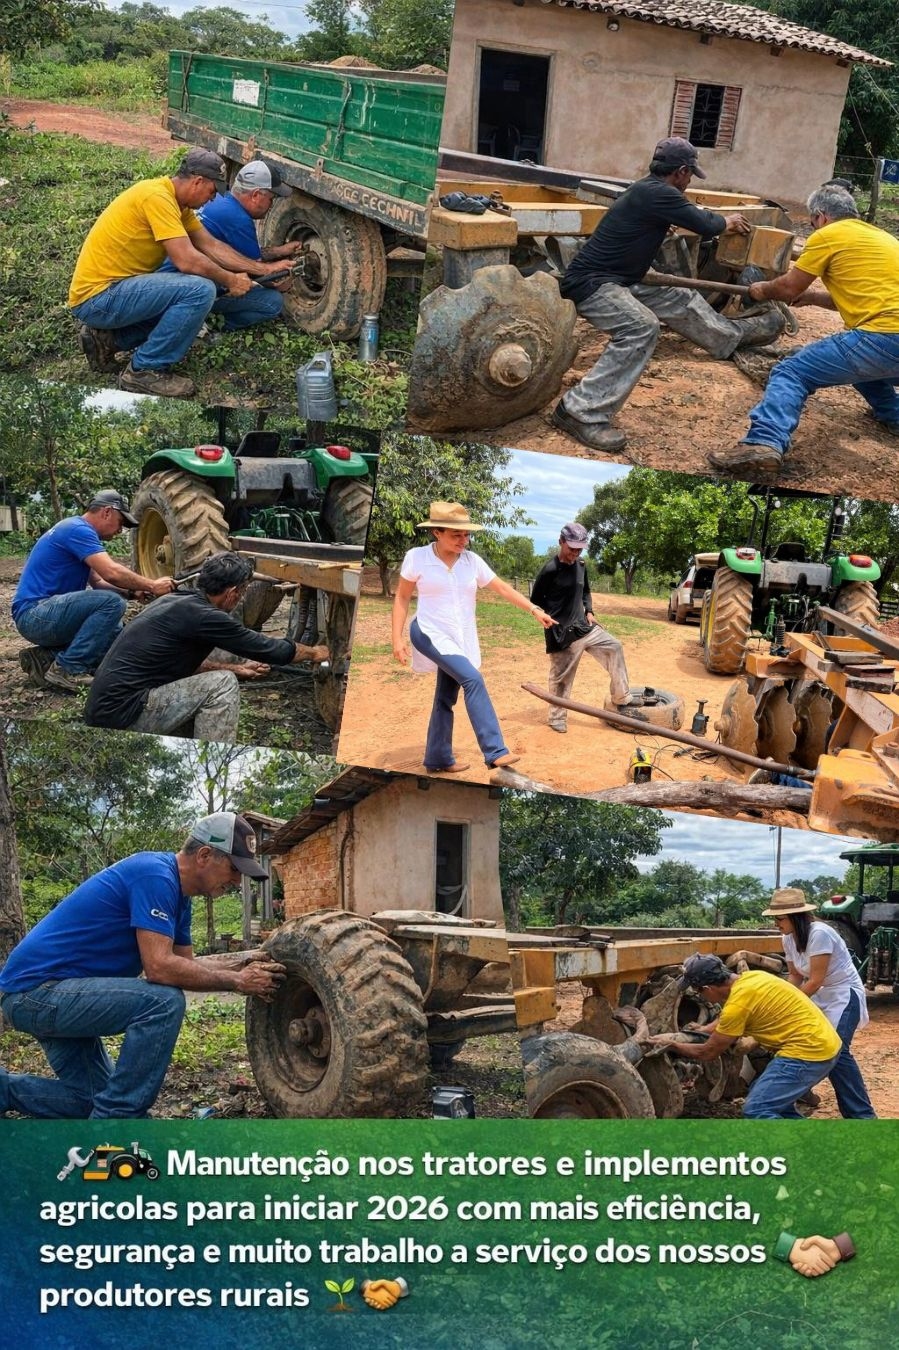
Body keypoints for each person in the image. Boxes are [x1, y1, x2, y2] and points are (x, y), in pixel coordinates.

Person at [0, 813, 285, 1119]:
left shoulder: (180, 897)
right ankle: (118, 1121)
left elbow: (184, 965)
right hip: (35, 993)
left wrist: (242, 960)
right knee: (162, 1002)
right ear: (204, 855)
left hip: (50, 994)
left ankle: (5, 1090)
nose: (236, 880)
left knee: (90, 1100)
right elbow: (160, 969)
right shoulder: (155, 875)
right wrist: (237, 981)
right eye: (233, 868)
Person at [553, 136, 785, 454]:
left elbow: (671, 217)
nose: (689, 181)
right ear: (680, 171)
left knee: (677, 296)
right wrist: (726, 222)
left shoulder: (649, 191)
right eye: (690, 175)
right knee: (640, 327)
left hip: (624, 278)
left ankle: (727, 338)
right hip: (593, 284)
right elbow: (705, 224)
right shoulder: (659, 193)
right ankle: (579, 412)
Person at [68, 148, 291, 399]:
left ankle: (109, 340)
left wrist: (261, 269)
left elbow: (212, 246)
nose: (211, 199)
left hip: (117, 290)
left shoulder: (177, 205)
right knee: (200, 290)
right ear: (198, 181)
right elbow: (187, 261)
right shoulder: (157, 197)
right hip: (98, 298)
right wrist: (230, 280)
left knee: (188, 294)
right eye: (211, 191)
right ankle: (144, 370)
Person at [710, 183, 899, 474]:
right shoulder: (882, 238)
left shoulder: (828, 235)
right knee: (865, 372)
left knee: (792, 371)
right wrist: (812, 297)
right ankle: (894, 416)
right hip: (890, 345)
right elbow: (863, 297)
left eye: (813, 223)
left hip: (883, 338)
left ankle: (763, 443)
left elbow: (787, 286)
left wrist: (761, 290)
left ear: (821, 217)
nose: (814, 228)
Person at [83, 552, 329, 742]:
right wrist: (316, 652)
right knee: (221, 685)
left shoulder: (177, 600)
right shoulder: (206, 617)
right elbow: (270, 649)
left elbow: (178, 660)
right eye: (243, 592)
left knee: (224, 659)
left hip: (106, 709)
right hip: (123, 716)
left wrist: (239, 668)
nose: (242, 597)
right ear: (234, 592)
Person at [392, 501, 555, 773]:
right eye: (456, 535)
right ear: (437, 533)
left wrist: (534, 609)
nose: (464, 540)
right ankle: (495, 751)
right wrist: (396, 638)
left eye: (466, 535)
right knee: (472, 679)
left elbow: (501, 587)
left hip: (460, 638)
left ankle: (438, 758)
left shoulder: (472, 561)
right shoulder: (417, 557)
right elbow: (402, 596)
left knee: (445, 696)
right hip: (429, 632)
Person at [12, 489, 175, 694]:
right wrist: (151, 585)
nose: (120, 530)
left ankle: (46, 658)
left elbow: (98, 582)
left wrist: (132, 593)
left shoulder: (76, 531)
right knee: (112, 604)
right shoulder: (77, 529)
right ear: (107, 512)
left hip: (44, 616)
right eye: (120, 522)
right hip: (35, 614)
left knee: (114, 632)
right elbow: (111, 573)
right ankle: (67, 668)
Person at [654, 952, 841, 1119]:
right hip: (823, 1042)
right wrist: (704, 1029)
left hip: (807, 1054)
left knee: (757, 1109)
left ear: (708, 988)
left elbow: (708, 1052)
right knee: (770, 1100)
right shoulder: (753, 978)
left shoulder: (737, 1006)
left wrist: (672, 1044)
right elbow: (733, 1015)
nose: (697, 995)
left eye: (696, 990)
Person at [762, 886, 876, 1118]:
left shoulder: (819, 934)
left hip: (844, 994)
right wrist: (776, 999)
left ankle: (862, 1116)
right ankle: (788, 1100)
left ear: (796, 917)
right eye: (774, 919)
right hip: (821, 996)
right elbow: (795, 976)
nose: (776, 924)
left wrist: (786, 1008)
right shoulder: (788, 939)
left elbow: (814, 980)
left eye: (780, 919)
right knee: (807, 1046)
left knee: (836, 1050)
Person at [160, 159, 302, 333]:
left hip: (168, 273)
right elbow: (253, 268)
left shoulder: (221, 200)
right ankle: (208, 323)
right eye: (271, 199)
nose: (271, 205)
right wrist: (278, 284)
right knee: (272, 302)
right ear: (256, 195)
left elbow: (236, 254)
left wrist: (280, 251)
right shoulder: (239, 220)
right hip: (186, 285)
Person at [530, 521, 634, 733]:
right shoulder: (550, 570)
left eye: (579, 549)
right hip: (561, 633)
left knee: (614, 647)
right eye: (571, 549)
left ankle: (621, 697)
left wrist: (589, 611)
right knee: (561, 678)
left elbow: (585, 591)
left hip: (583, 626)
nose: (574, 554)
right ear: (561, 542)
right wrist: (542, 616)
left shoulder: (581, 565)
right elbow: (535, 600)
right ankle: (557, 718)